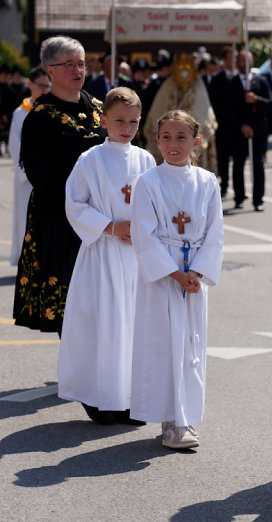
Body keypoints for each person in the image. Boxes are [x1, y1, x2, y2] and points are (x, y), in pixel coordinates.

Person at [58, 88, 156, 425]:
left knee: (133, 326)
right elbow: (75, 204)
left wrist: (144, 228)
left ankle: (130, 399)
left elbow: (156, 202)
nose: (126, 127)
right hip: (103, 253)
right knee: (104, 326)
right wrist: (112, 227)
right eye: (119, 120)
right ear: (103, 121)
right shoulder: (90, 160)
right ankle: (100, 398)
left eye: (132, 121)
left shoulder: (146, 159)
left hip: (136, 258)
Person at [129, 110, 224, 450]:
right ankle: (169, 419)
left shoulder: (207, 182)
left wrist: (197, 271)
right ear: (156, 141)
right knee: (164, 345)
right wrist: (174, 272)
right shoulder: (148, 182)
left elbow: (215, 234)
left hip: (193, 276)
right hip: (164, 278)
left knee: (191, 347)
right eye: (166, 137)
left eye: (181, 137)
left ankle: (186, 417)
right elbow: (144, 234)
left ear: (196, 142)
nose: (173, 144)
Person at [13, 37, 106, 334]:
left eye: (81, 63)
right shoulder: (40, 117)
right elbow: (41, 176)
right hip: (61, 219)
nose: (78, 70)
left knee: (105, 304)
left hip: (105, 219)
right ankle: (76, 372)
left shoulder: (100, 109)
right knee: (69, 307)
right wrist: (79, 207)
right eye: (69, 64)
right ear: (50, 70)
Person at [8, 67, 51, 265]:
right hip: (27, 179)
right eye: (41, 85)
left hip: (49, 177)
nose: (44, 90)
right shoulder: (20, 113)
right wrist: (32, 172)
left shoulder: (53, 111)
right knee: (25, 218)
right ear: (30, 85)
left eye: (47, 86)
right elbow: (15, 146)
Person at [230, 49, 272, 211]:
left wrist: (257, 100)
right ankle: (239, 197)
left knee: (258, 164)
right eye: (242, 61)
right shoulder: (232, 83)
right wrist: (241, 125)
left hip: (258, 131)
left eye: (248, 60)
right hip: (239, 131)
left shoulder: (261, 81)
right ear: (237, 63)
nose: (245, 64)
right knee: (238, 164)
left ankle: (258, 199)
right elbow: (227, 110)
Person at [209, 45, 237, 198]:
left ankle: (239, 189)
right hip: (223, 126)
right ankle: (224, 184)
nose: (234, 61)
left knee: (238, 160)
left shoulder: (241, 78)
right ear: (225, 59)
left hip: (238, 126)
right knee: (223, 157)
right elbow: (213, 103)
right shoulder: (217, 79)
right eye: (231, 57)